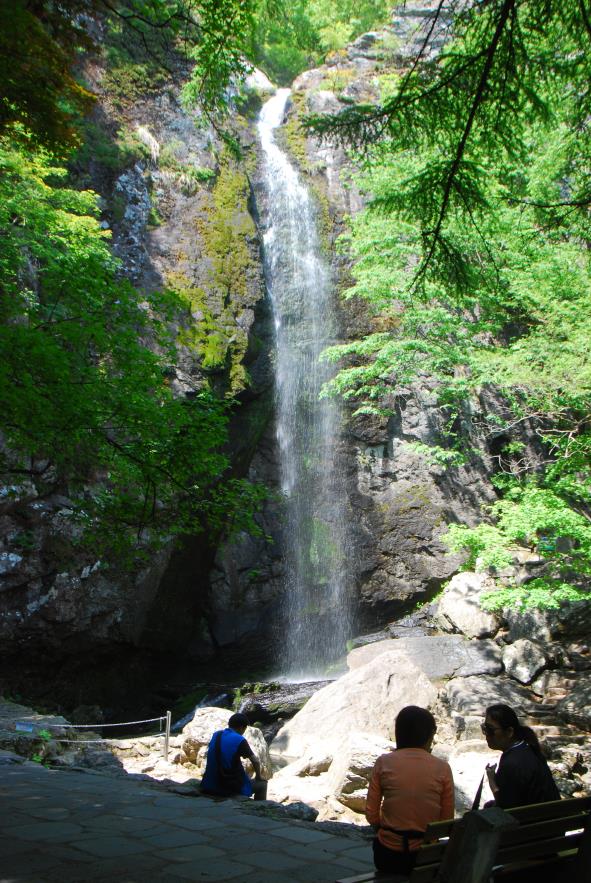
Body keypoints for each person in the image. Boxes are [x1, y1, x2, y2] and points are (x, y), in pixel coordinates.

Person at [365, 705, 455, 875]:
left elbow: (371, 814)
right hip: (426, 855)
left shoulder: (384, 763)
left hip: (388, 855)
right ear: (428, 736)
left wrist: (385, 829)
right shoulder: (443, 768)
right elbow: (446, 820)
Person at [482, 703, 560, 809]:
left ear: (509, 732)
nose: (486, 734)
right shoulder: (530, 749)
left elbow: (504, 806)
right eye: (485, 728)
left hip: (531, 822)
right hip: (551, 819)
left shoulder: (511, 763)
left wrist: (492, 780)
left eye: (490, 730)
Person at [201, 712, 267, 800]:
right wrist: (258, 776)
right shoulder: (240, 740)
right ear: (241, 727)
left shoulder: (216, 734)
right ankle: (258, 809)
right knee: (262, 784)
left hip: (208, 784)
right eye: (245, 729)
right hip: (226, 789)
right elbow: (255, 761)